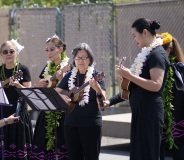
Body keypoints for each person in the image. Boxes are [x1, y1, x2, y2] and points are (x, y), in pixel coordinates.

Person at [102, 18, 170, 160]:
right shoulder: (146, 54)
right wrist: (111, 99)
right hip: (140, 112)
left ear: (144, 32)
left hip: (149, 113)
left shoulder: (157, 54)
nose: (134, 39)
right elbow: (135, 87)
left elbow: (156, 84)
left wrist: (130, 76)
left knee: (148, 154)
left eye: (134, 35)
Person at [55, 43, 106, 160]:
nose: (80, 60)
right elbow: (56, 93)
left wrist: (97, 87)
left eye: (84, 57)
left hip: (91, 125)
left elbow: (103, 100)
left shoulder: (96, 75)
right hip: (70, 124)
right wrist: (62, 97)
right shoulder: (69, 76)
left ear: (90, 59)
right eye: (78, 57)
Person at [0, 39, 33, 160]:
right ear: (1, 54)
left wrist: (18, 85)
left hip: (18, 113)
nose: (8, 54)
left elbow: (29, 94)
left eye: (11, 51)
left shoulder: (23, 69)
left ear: (17, 52)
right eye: (5, 51)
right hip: (0, 112)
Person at [30, 35, 70, 160]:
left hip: (62, 114)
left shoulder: (69, 67)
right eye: (47, 50)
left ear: (61, 49)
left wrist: (61, 79)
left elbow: (72, 92)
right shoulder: (47, 67)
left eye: (52, 49)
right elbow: (38, 88)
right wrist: (39, 85)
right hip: (47, 112)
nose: (49, 53)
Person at [157, 32, 184, 160]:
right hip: (160, 120)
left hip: (178, 122)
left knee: (178, 151)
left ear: (167, 51)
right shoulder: (155, 69)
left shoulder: (179, 69)